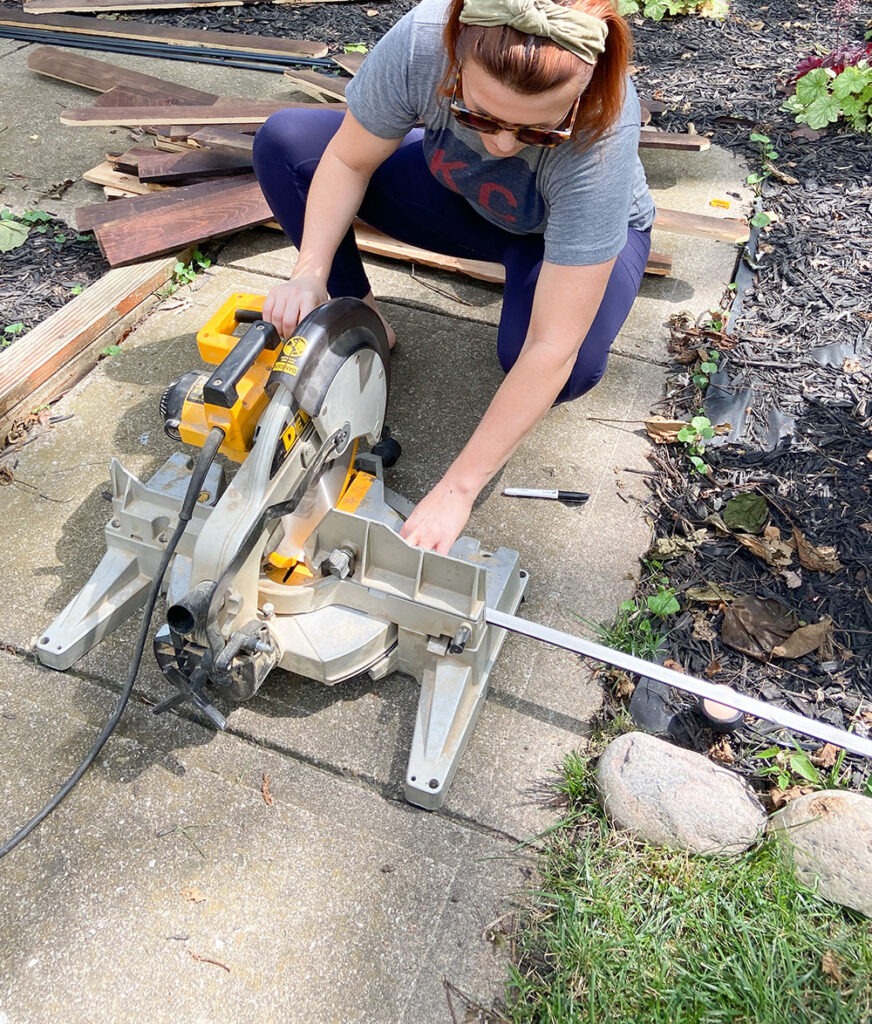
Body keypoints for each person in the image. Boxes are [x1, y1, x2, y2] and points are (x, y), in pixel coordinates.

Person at [252, 0, 655, 554]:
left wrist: (457, 490)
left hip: (558, 237)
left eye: (538, 131)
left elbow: (552, 346)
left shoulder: (602, 132)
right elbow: (347, 161)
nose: (503, 145)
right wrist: (309, 273)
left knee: (568, 368)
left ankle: (525, 267)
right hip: (469, 198)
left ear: (582, 92)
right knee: (287, 142)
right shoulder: (422, 40)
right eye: (479, 116)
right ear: (455, 55)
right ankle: (364, 320)